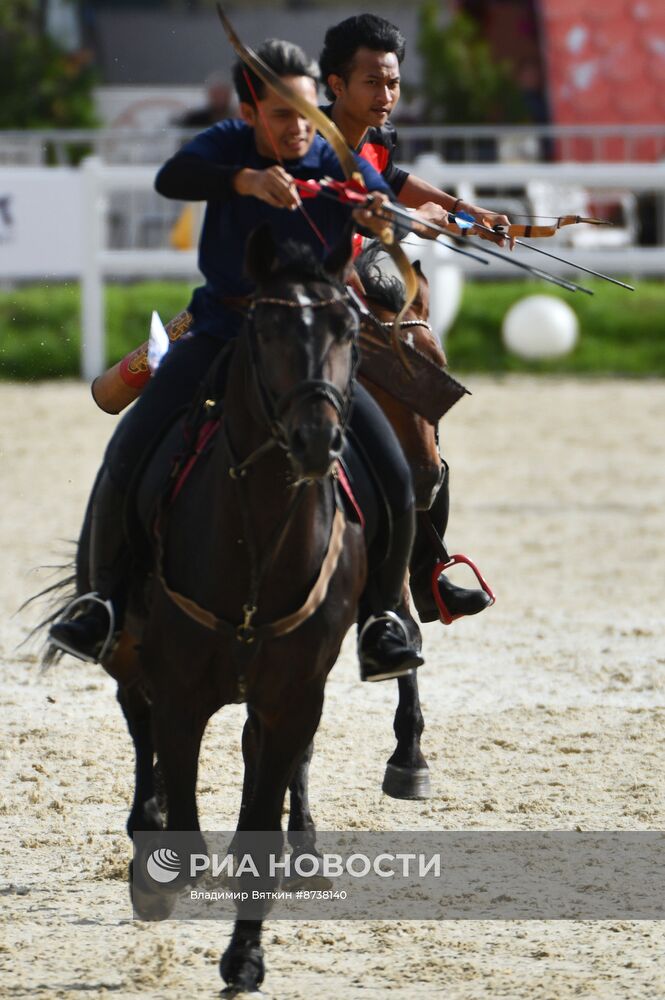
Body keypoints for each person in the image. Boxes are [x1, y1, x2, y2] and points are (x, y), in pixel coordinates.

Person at [49, 39, 423, 683]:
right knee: (128, 450)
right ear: (250, 114)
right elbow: (173, 179)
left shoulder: (335, 151)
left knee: (392, 469)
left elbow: (390, 221)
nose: (300, 128)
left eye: (307, 113)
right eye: (282, 116)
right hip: (224, 331)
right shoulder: (226, 144)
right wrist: (243, 180)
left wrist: (379, 218)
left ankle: (384, 617)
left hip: (312, 344)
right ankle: (102, 600)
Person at [319, 13, 504, 623]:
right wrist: (418, 223)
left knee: (423, 400)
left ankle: (427, 571)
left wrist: (461, 209)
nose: (386, 95)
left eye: (393, 83)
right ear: (335, 84)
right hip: (306, 275)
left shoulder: (377, 133)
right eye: (373, 82)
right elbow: (360, 211)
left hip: (359, 271)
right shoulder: (311, 142)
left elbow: (392, 182)